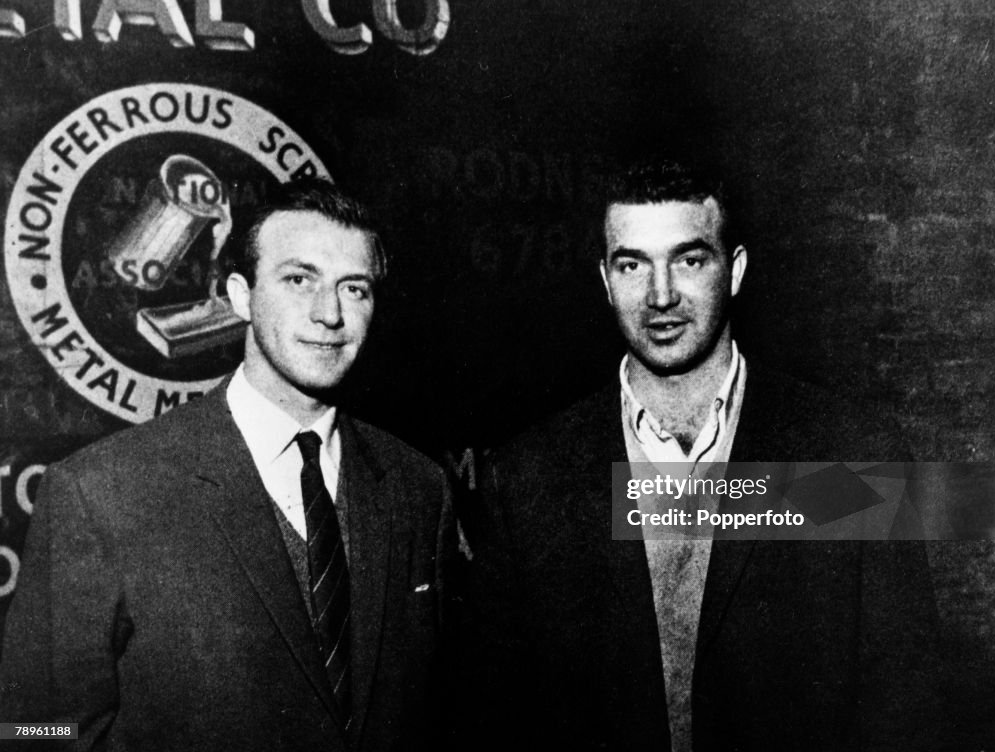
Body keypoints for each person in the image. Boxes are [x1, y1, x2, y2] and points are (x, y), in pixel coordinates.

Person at [459, 159, 943, 751]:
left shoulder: (852, 452)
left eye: (690, 260)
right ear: (606, 282)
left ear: (734, 271)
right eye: (633, 264)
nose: (661, 295)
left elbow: (904, 707)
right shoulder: (528, 477)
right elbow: (497, 720)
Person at [0, 178, 454, 751]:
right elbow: (30, 729)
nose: (329, 313)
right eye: (298, 279)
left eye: (355, 288)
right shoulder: (104, 492)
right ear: (240, 295)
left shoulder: (417, 488)